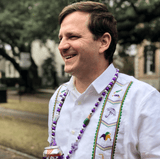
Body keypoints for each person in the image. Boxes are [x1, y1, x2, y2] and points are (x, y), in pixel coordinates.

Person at [45, 1, 160, 159]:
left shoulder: (143, 100)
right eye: (61, 38)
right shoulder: (58, 98)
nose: (62, 46)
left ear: (104, 42)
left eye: (72, 36)